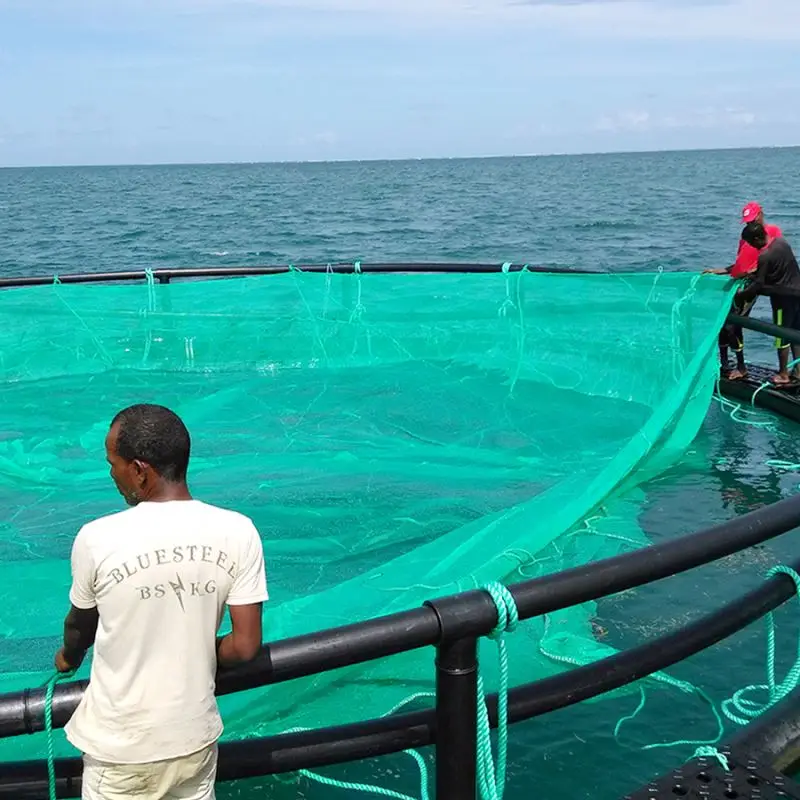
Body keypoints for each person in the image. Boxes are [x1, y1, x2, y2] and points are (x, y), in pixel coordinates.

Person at [54, 404, 268, 800]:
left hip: (121, 746)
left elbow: (79, 626)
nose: (111, 475)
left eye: (112, 463)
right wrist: (195, 646)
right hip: (193, 738)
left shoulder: (97, 538)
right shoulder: (239, 531)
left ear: (139, 469)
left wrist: (68, 657)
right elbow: (245, 646)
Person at [707, 202, 783, 380]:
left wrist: (757, 274)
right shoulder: (746, 236)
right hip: (740, 281)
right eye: (747, 221)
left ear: (760, 215)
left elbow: (774, 259)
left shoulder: (772, 232)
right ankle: (725, 362)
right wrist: (725, 270)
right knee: (724, 323)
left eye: (752, 219)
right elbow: (742, 263)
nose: (750, 224)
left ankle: (743, 367)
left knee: (734, 324)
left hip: (754, 284)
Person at [738, 222, 800, 386]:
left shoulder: (765, 255)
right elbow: (777, 271)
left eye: (752, 243)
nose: (752, 246)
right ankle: (798, 371)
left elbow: (758, 285)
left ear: (758, 238)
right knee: (795, 331)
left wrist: (741, 295)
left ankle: (783, 373)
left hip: (782, 298)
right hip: (797, 293)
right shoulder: (781, 243)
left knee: (781, 334)